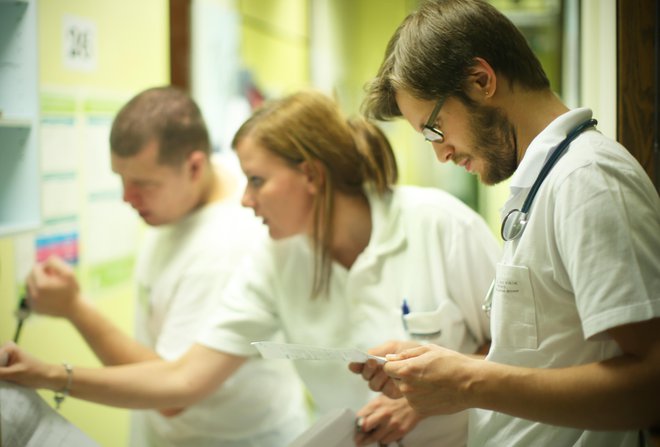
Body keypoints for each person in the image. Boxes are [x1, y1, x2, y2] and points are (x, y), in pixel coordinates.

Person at [0, 89, 501, 446]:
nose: (244, 199)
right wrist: (46, 373)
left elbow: (517, 355)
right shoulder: (275, 261)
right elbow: (182, 381)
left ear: (309, 175)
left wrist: (425, 397)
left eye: (257, 180)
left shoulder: (439, 224)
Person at [351, 1, 660, 446]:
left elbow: (652, 384)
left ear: (481, 80)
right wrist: (446, 370)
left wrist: (467, 383)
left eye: (434, 130)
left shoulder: (587, 181)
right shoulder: (548, 183)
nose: (441, 153)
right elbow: (549, 362)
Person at [22, 86, 308, 447]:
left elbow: (174, 393)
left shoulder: (228, 246)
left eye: (142, 184)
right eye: (121, 179)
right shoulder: (199, 185)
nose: (127, 198)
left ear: (194, 166)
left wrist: (74, 309)